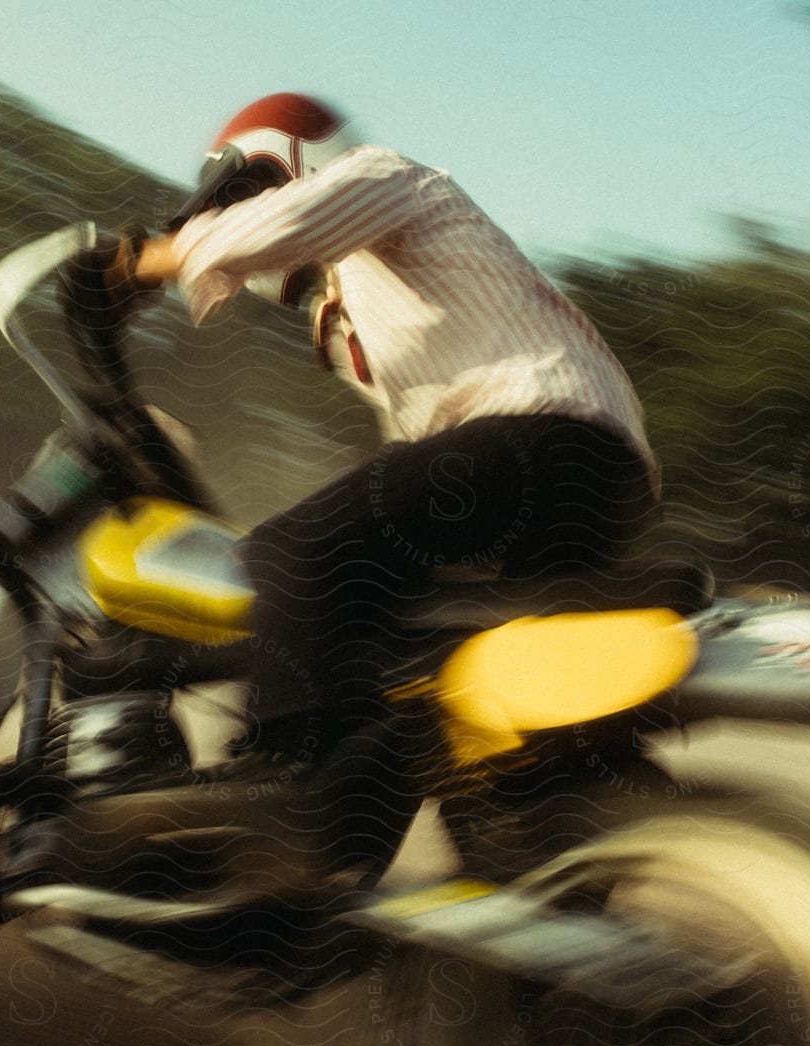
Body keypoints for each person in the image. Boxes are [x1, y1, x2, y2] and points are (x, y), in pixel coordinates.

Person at [86, 93, 661, 779]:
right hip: (594, 478)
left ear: (284, 164)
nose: (235, 214)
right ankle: (542, 833)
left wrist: (137, 263)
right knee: (471, 695)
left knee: (298, 552)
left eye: (241, 195)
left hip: (543, 440)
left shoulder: (384, 176)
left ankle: (290, 779)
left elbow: (288, 223)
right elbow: (413, 453)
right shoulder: (358, 299)